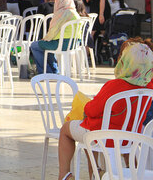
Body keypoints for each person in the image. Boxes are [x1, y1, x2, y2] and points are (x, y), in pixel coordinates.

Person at [57, 41, 153, 180]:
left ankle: (64, 175)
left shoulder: (114, 86)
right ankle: (96, 172)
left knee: (67, 129)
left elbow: (91, 110)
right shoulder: (149, 87)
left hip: (105, 138)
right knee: (89, 128)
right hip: (131, 137)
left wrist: (87, 107)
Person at [29, 0, 81, 74]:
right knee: (47, 45)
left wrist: (45, 38)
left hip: (62, 44)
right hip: (74, 43)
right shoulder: (74, 12)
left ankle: (46, 71)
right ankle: (53, 70)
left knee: (35, 45)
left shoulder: (62, 13)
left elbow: (53, 30)